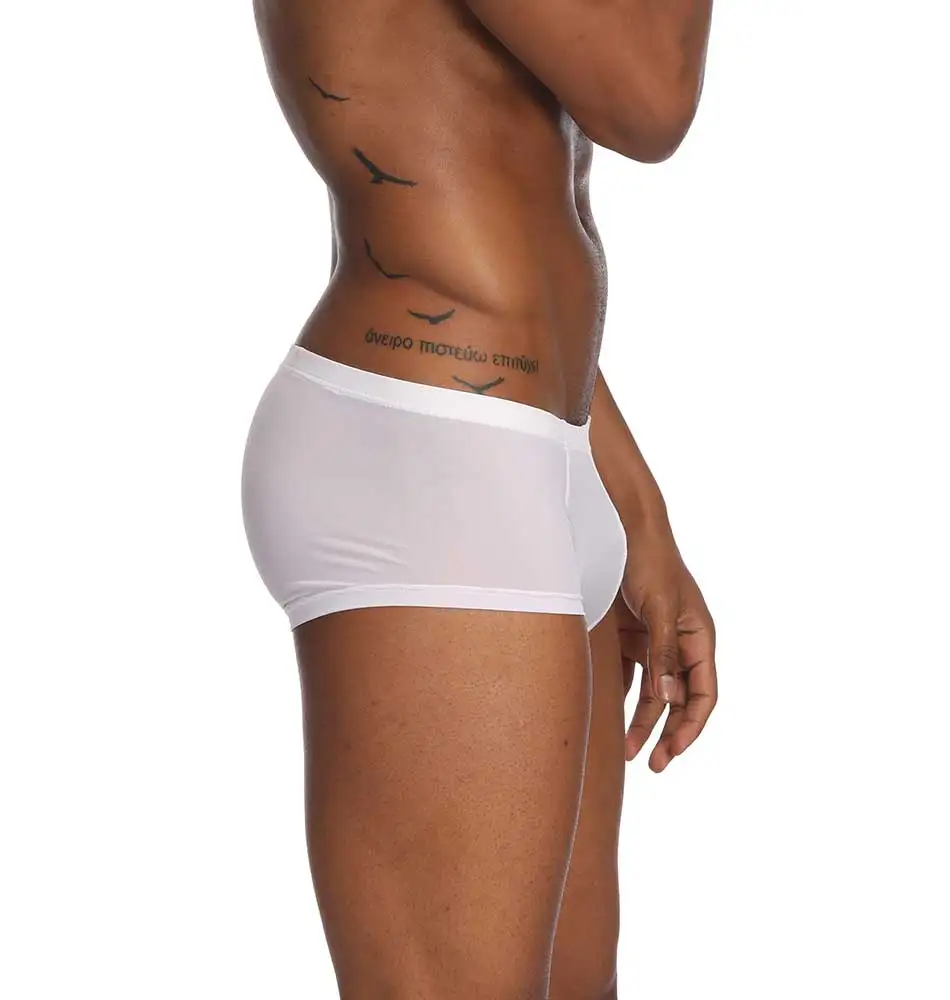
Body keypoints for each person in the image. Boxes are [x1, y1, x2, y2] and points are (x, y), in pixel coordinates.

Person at [240, 1, 717, 997]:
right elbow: (649, 102)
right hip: (429, 465)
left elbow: (491, 196)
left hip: (526, 450)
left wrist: (634, 514)